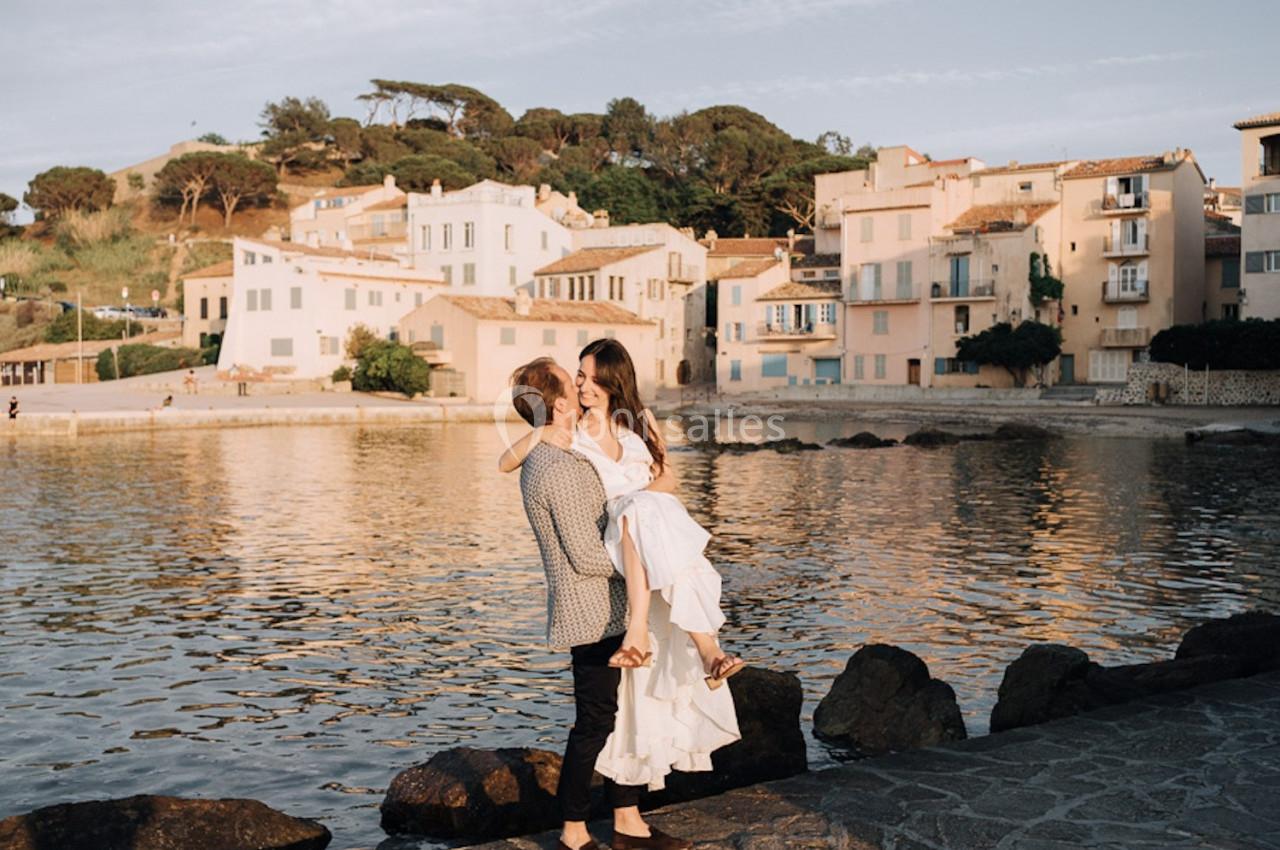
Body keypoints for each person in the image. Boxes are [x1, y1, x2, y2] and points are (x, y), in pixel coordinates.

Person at [504, 342, 743, 803]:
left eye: (592, 378)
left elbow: (669, 479)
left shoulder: (642, 421)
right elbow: (507, 461)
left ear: (615, 381)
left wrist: (646, 498)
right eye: (578, 377)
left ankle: (711, 653)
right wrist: (537, 434)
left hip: (647, 529)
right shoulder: (571, 436)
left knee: (658, 518)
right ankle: (672, 641)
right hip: (622, 535)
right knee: (638, 513)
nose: (583, 385)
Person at [511, 356, 693, 850]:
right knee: (594, 722)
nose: (581, 386)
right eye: (573, 382)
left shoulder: (562, 454)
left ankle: (628, 821)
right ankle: (573, 831)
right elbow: (587, 556)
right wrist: (651, 561)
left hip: (611, 607)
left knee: (624, 716)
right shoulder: (556, 466)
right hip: (591, 611)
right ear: (561, 402)